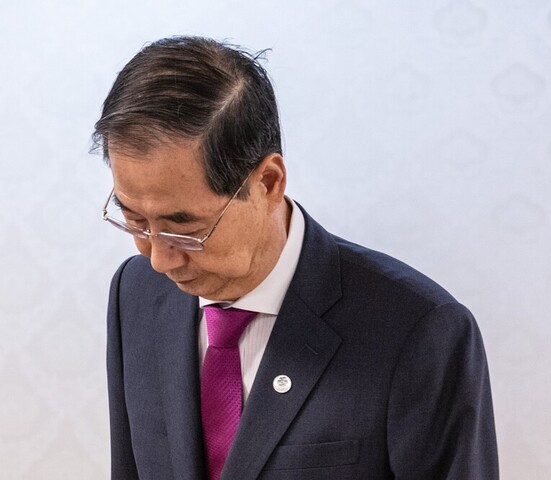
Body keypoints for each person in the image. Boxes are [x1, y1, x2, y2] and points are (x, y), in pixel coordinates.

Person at [95, 35, 498, 480]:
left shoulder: (419, 331)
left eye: (184, 228)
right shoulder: (136, 294)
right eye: (134, 220)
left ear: (268, 182)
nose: (159, 259)